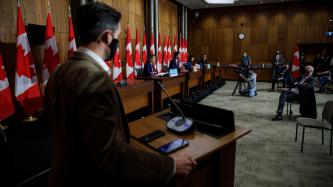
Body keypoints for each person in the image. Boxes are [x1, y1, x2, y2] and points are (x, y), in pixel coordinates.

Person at [45, 3, 196, 187]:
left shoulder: (58, 72)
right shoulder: (94, 79)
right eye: (117, 37)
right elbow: (112, 157)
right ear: (107, 37)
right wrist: (170, 165)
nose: (117, 42)